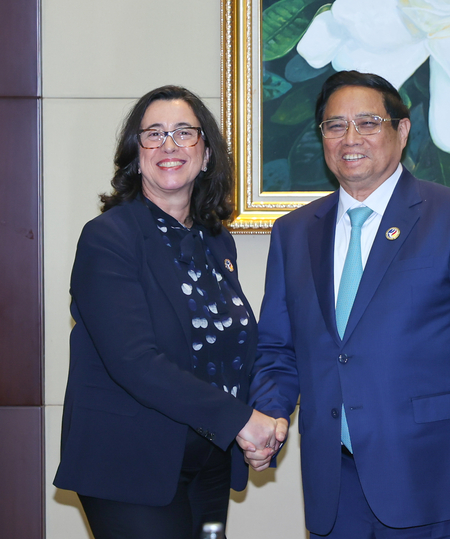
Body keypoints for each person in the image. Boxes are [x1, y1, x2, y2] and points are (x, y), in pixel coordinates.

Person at [242, 71, 450, 538]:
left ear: (402, 130)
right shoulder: (293, 233)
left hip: (437, 480)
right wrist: (270, 415)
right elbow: (278, 348)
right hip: (334, 485)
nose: (350, 138)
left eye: (368, 122)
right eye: (334, 126)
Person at [54, 85, 282, 539]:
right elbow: (135, 362)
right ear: (136, 155)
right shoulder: (108, 238)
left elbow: (234, 351)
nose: (169, 145)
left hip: (209, 463)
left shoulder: (217, 242)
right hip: (129, 464)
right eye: (153, 134)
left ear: (207, 153)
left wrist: (267, 416)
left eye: (184, 132)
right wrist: (240, 420)